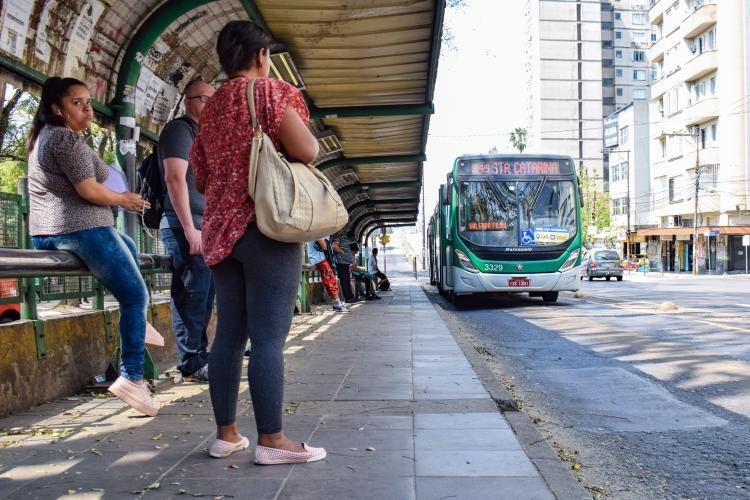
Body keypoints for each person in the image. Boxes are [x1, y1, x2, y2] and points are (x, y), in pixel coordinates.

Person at [190, 20, 326, 465]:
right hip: (267, 226)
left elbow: (200, 176)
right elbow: (306, 150)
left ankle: (226, 435)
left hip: (219, 234)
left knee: (229, 334)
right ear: (262, 56)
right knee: (269, 337)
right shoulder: (271, 92)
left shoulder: (207, 110)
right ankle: (272, 440)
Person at [26, 77, 158, 416]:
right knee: (135, 295)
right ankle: (132, 377)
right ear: (57, 109)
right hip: (78, 228)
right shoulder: (64, 141)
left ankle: (138, 326)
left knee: (127, 244)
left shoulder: (53, 138)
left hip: (55, 229)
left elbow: (100, 173)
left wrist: (111, 177)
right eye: (77, 103)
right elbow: (89, 190)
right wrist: (124, 200)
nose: (88, 109)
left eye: (88, 101)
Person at [158, 78, 216, 383]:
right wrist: (191, 229)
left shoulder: (206, 135)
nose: (209, 104)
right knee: (191, 293)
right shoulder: (179, 130)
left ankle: (200, 355)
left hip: (204, 225)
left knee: (205, 294)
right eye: (203, 99)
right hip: (184, 225)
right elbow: (175, 179)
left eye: (212, 99)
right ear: (187, 101)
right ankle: (191, 361)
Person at [306, 239, 349, 312]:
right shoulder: (318, 233)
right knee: (330, 281)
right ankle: (337, 303)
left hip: (316, 258)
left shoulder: (314, 233)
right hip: (319, 259)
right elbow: (324, 247)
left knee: (330, 280)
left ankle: (337, 302)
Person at [330, 228, 357, 304]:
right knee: (344, 281)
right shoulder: (336, 237)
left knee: (347, 280)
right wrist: (342, 252)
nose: (343, 231)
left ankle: (351, 297)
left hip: (345, 263)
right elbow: (334, 246)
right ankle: (348, 298)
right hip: (341, 262)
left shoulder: (341, 238)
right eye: (342, 229)